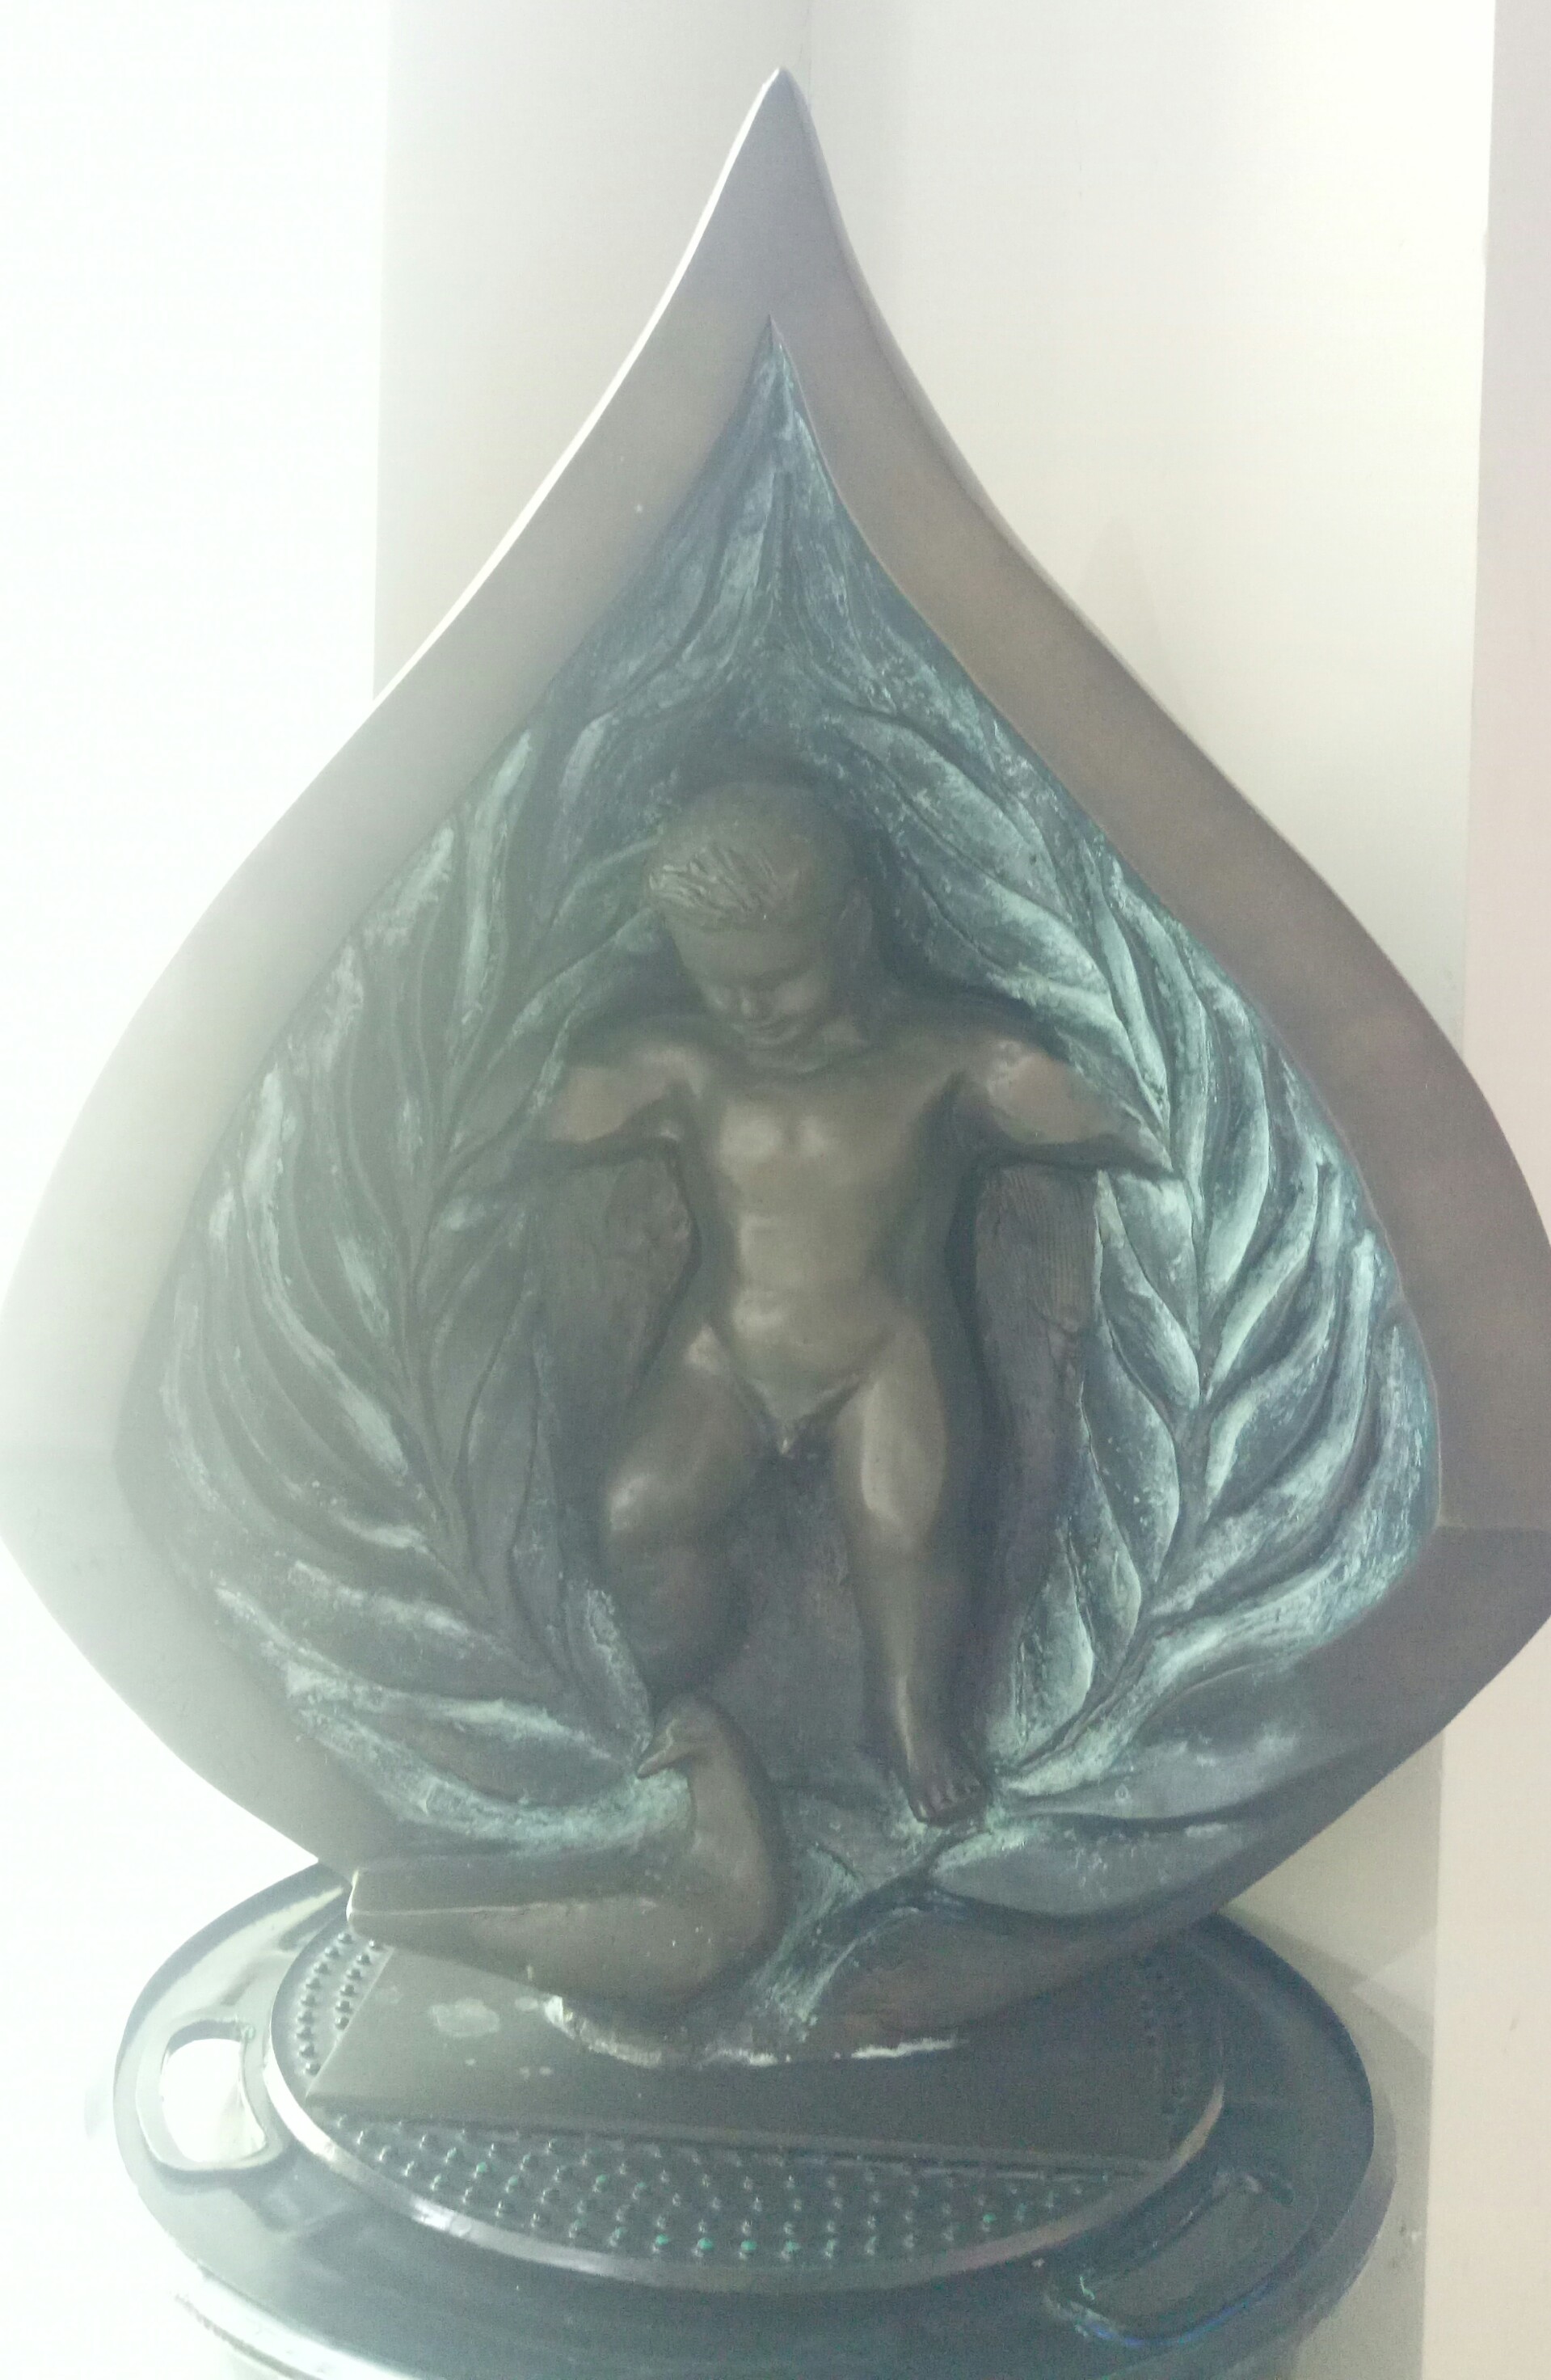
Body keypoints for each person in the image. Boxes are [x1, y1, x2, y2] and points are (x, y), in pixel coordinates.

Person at [542, 783, 1159, 1824]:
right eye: (718, 982)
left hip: (886, 1360)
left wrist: (1145, 1112)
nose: (748, 1009)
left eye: (777, 978)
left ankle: (913, 1722)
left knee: (908, 1538)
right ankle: (676, 1685)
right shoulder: (683, 1066)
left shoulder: (945, 1062)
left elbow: (1120, 1120)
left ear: (853, 926)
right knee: (636, 1515)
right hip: (724, 1358)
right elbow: (523, 1126)